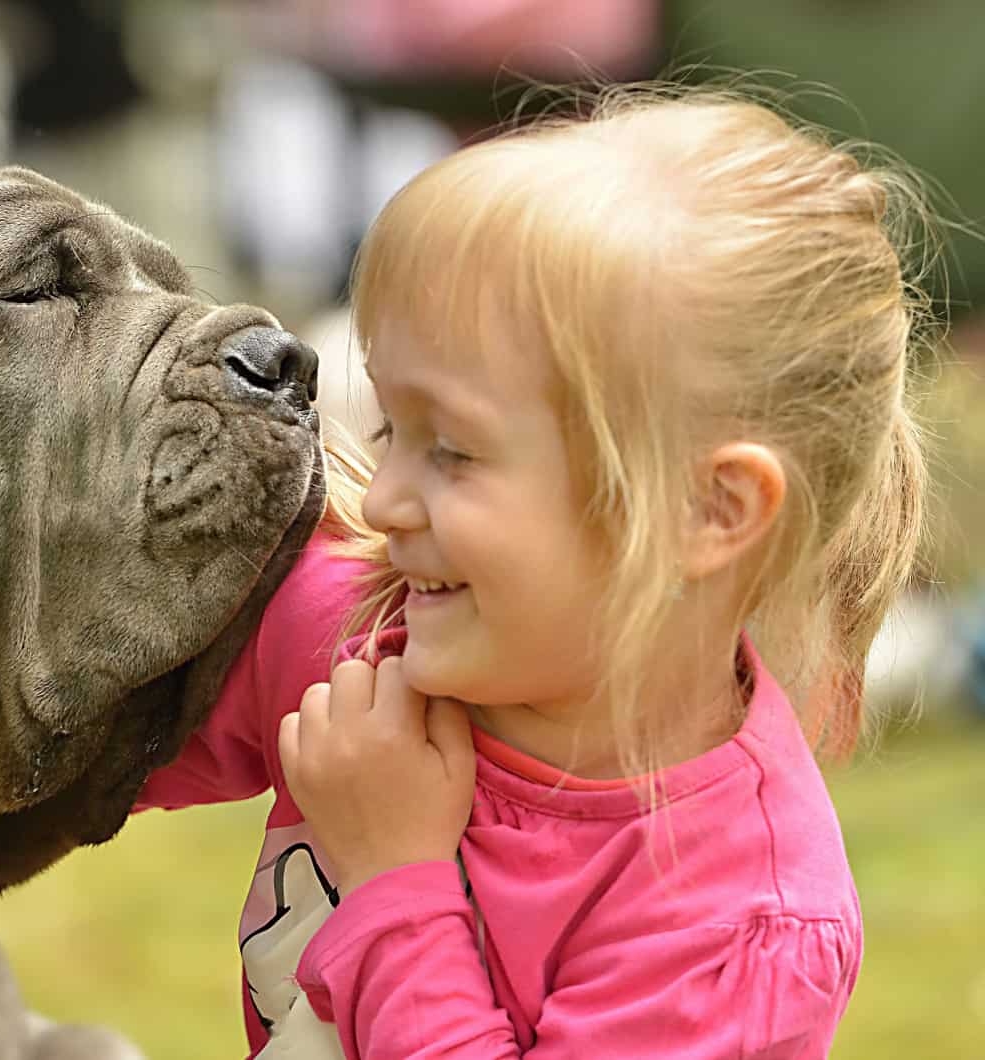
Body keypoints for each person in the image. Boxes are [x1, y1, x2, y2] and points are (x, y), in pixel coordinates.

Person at [137, 84, 933, 1058]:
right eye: (393, 428)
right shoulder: (364, 633)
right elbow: (62, 726)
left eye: (454, 452)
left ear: (708, 510)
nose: (383, 501)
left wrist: (395, 881)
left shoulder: (736, 925)